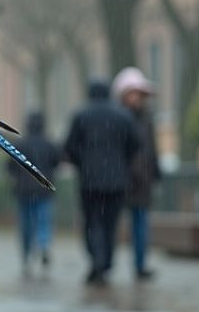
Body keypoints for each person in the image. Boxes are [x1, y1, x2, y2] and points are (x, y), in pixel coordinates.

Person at [65, 80, 140, 285]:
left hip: (90, 181)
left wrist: (83, 162)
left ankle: (96, 260)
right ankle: (106, 262)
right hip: (117, 181)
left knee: (92, 223)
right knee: (110, 223)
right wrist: (120, 162)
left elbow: (70, 147)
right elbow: (135, 144)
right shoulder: (123, 116)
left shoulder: (81, 116)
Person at [112, 67, 161, 280]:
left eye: (140, 94)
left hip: (142, 181)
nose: (138, 98)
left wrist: (155, 172)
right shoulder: (118, 118)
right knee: (112, 223)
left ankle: (140, 265)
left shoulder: (147, 119)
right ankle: (106, 264)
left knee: (141, 225)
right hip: (121, 179)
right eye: (134, 93)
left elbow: (152, 149)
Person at [5, 112, 61, 275]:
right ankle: (43, 246)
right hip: (44, 190)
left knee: (26, 225)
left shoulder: (20, 144)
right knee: (44, 221)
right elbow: (57, 162)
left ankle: (26, 255)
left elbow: (10, 166)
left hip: (24, 192)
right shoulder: (50, 144)